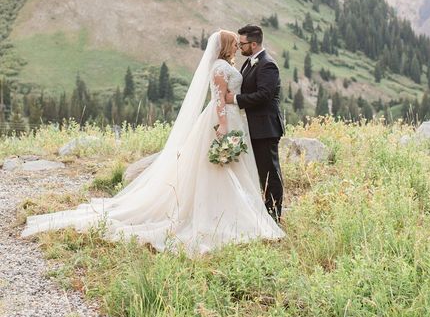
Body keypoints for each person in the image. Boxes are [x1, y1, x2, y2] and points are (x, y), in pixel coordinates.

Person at [21, 30, 284, 256]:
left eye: (242, 43)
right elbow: (219, 99)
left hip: (235, 120)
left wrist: (231, 108)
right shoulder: (219, 67)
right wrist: (223, 127)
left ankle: (240, 211)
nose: (238, 46)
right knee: (219, 167)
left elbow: (242, 94)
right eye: (235, 43)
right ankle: (221, 215)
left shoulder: (241, 64)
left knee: (235, 168)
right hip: (222, 120)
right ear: (228, 46)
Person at [225, 25, 284, 222]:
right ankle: (263, 213)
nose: (239, 47)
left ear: (253, 43)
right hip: (253, 127)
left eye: (242, 44)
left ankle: (274, 215)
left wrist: (234, 99)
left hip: (265, 128)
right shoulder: (249, 62)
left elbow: (264, 95)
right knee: (259, 172)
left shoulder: (267, 64)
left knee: (270, 173)